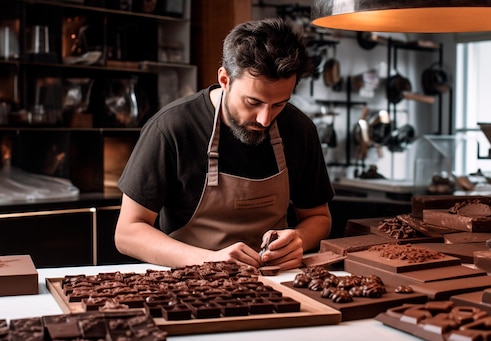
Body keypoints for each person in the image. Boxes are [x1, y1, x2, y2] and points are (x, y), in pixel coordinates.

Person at [114, 17, 334, 270]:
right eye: (253, 102)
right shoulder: (172, 128)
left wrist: (300, 239)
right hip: (189, 281)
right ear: (224, 79)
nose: (265, 119)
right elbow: (127, 233)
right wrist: (207, 259)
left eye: (279, 104)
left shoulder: (300, 129)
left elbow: (319, 217)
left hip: (275, 280)